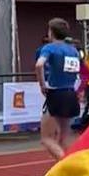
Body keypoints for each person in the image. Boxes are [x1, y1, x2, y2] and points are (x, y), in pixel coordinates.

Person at [35, 18, 81, 159]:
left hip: (56, 93)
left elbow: (39, 64)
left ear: (51, 32)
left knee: (46, 138)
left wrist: (42, 85)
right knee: (64, 139)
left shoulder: (49, 47)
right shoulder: (73, 50)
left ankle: (68, 166)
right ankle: (72, 165)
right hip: (71, 93)